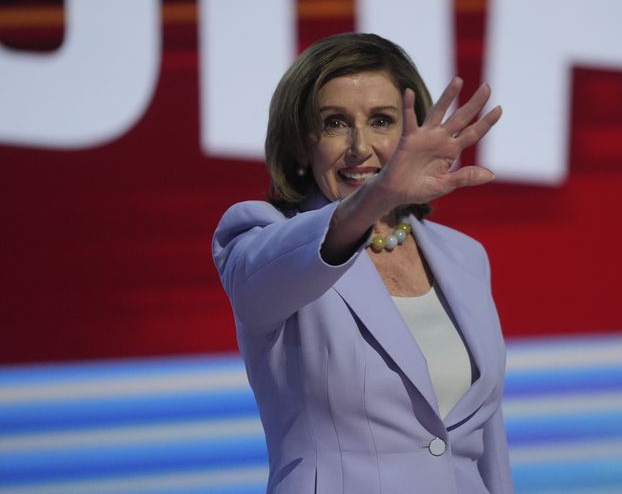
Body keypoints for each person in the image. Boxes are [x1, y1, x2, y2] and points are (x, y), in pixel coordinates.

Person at [212, 32, 513, 494]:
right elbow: (260, 283)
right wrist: (379, 196)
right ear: (299, 144)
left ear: (411, 133)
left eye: (382, 120)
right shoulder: (259, 238)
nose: (359, 147)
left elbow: (485, 443)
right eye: (334, 123)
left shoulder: (464, 256)